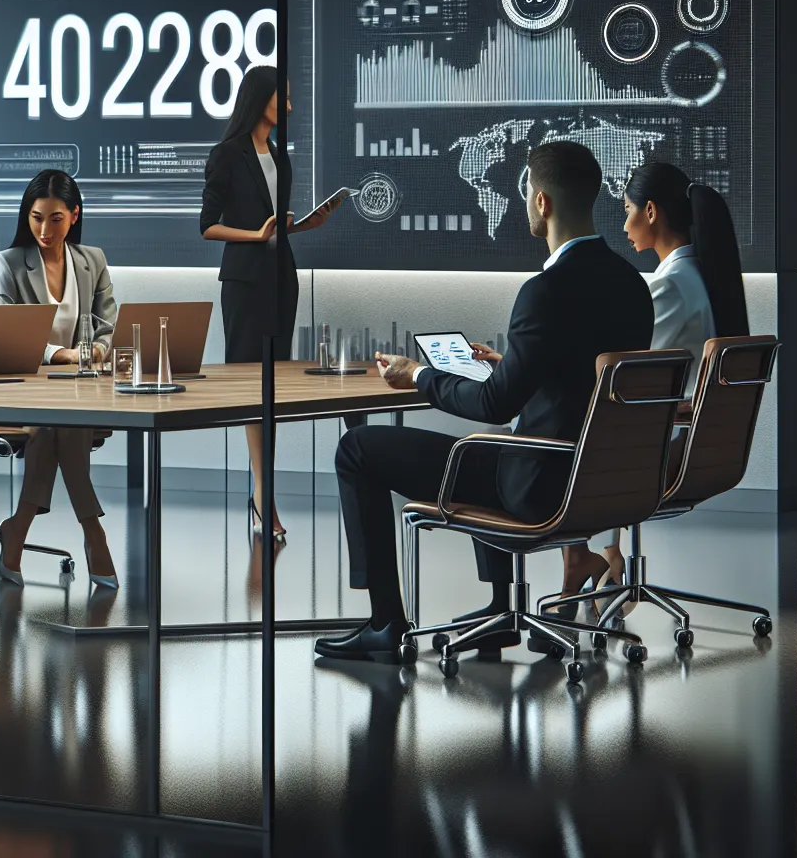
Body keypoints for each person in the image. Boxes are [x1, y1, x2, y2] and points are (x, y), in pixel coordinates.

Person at [314, 141, 653, 664]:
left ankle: (385, 623)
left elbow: (496, 405)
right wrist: (510, 364)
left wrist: (419, 375)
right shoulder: (633, 285)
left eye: (524, 195)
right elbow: (580, 383)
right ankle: (499, 610)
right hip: (600, 482)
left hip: (538, 485)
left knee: (358, 448)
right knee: (487, 452)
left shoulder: (545, 291)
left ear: (540, 202)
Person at [562, 161, 751, 590]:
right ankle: (598, 562)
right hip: (690, 443)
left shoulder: (671, 286)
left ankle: (601, 562)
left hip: (656, 448)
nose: (624, 223)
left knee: (555, 425)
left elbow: (626, 376)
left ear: (651, 212)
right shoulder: (698, 276)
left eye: (627, 209)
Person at [199, 65, 341, 540]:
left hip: (282, 275)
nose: (291, 106)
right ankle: (264, 494)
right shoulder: (226, 155)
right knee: (249, 387)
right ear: (261, 99)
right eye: (284, 97)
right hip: (244, 280)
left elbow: (274, 225)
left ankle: (263, 492)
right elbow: (207, 225)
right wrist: (254, 235)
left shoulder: (280, 157)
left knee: (273, 390)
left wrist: (298, 226)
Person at [0, 169, 118, 589]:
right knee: (57, 422)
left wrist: (98, 349)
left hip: (83, 384)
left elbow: (108, 324)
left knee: (57, 424)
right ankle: (93, 531)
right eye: (36, 217)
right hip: (28, 387)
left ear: (75, 215)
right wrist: (60, 354)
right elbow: (9, 335)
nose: (44, 230)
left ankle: (19, 525)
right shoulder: (8, 264)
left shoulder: (92, 260)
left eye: (55, 219)